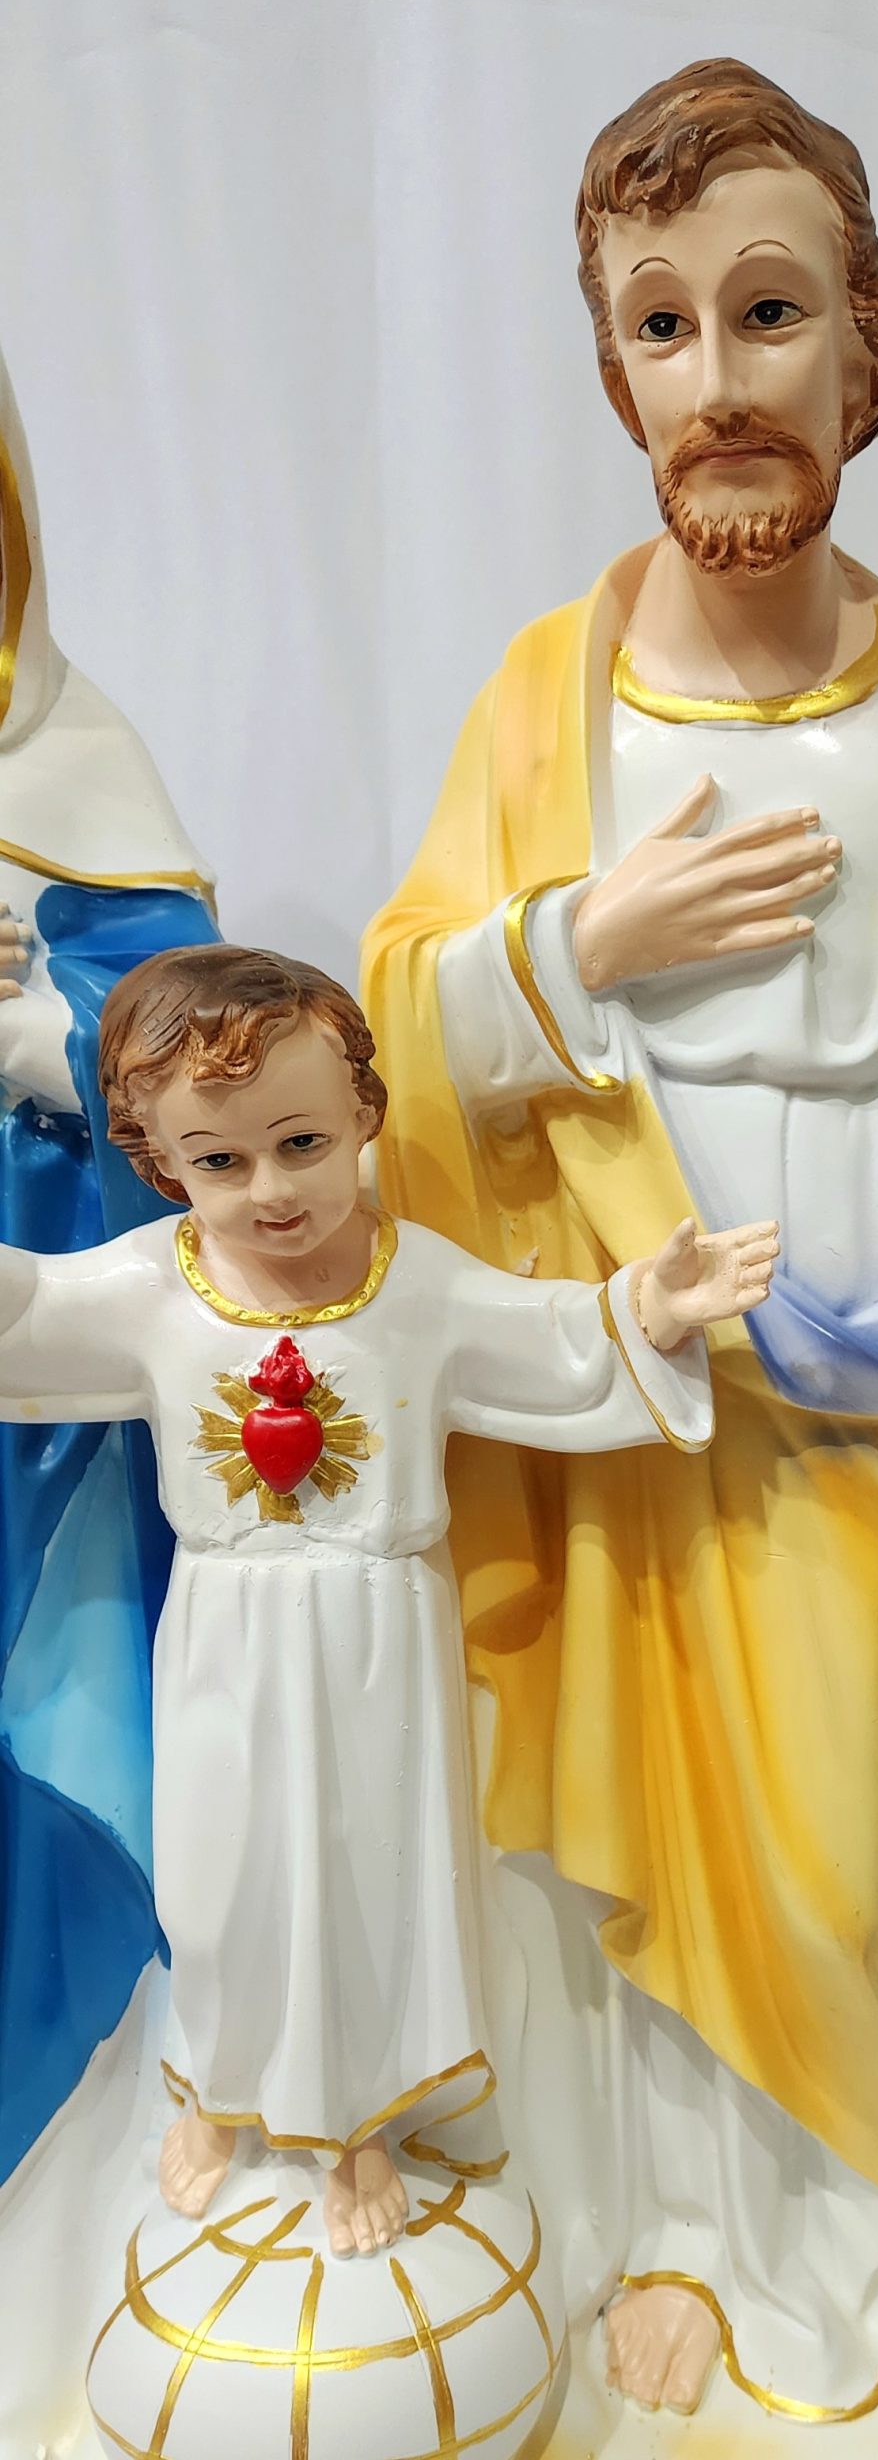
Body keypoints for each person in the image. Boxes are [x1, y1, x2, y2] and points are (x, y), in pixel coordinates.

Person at [363, 61, 878, 2442]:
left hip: (871, 1389)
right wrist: (579, 940)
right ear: (613, 365)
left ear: (863, 341)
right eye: (661, 323)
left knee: (838, 1832)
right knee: (654, 1837)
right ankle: (686, 2227)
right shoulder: (553, 698)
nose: (719, 379)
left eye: (769, 312)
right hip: (636, 1375)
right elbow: (395, 1027)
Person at [0, 942, 777, 2258]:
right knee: (222, 1875)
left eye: (301, 1142)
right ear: (161, 1163)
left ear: (364, 1111)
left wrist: (645, 1308)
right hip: (226, 1635)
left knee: (367, 1876)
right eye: (220, 1162)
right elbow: (27, 1312)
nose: (270, 1190)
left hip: (377, 1635)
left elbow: (550, 1340)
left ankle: (355, 2121)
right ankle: (219, 2084)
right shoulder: (153, 1286)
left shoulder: (413, 1283)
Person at [0, 340, 218, 2197]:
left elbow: (193, 1066)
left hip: (35, 1372)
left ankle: (56, 2155)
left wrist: (33, 1039)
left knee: (52, 1719)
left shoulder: (79, 767)